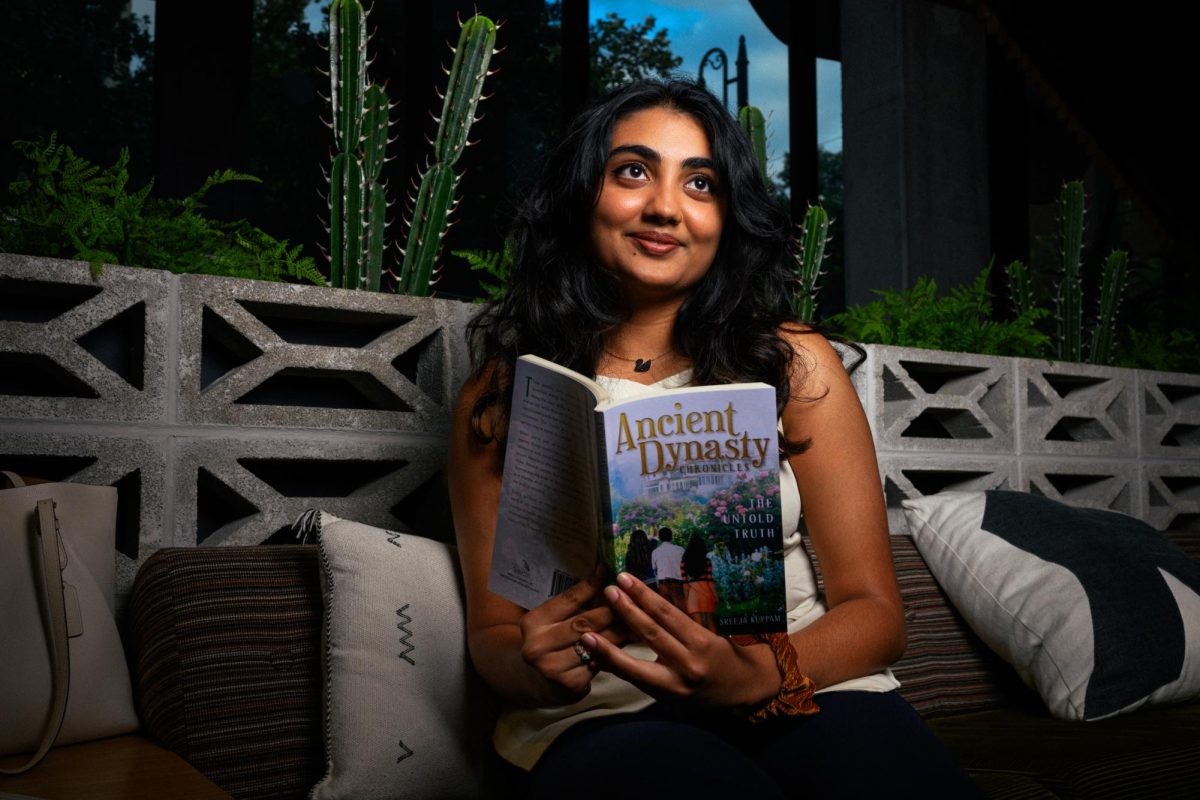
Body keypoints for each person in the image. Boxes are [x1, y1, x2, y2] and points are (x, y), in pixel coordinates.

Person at [448, 78, 979, 798]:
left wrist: (759, 674)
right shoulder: (502, 396)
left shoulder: (792, 362)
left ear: (726, 217)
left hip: (801, 687)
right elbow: (494, 635)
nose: (665, 206)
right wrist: (538, 668)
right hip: (604, 715)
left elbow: (876, 614)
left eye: (700, 183)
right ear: (583, 194)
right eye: (632, 171)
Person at [680, 534, 719, 633]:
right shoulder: (707, 562)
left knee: (698, 623)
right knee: (710, 621)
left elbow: (685, 584)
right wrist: (716, 596)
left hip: (693, 595)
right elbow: (710, 581)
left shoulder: (684, 563)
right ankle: (715, 644)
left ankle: (703, 646)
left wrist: (686, 599)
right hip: (706, 592)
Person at [649, 526, 686, 611]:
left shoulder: (655, 552)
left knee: (667, 613)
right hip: (678, 585)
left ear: (660, 538)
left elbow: (654, 569)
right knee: (683, 613)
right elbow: (685, 567)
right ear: (671, 536)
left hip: (663, 585)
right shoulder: (681, 550)